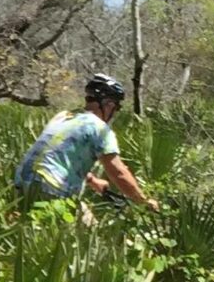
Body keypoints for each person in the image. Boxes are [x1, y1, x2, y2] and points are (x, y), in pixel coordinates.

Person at [13, 73, 156, 210]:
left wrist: (92, 181)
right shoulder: (100, 129)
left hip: (22, 182)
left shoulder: (63, 116)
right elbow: (118, 173)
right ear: (109, 104)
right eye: (117, 108)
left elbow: (57, 156)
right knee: (82, 233)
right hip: (51, 188)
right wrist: (143, 201)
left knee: (86, 222)